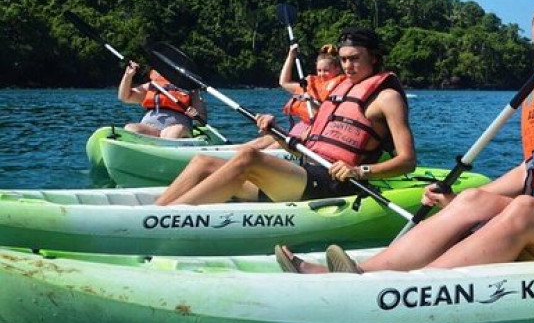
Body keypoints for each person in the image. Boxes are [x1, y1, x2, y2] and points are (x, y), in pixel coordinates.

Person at [276, 0, 534, 274]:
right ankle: (364, 272)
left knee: (526, 209)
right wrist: (462, 196)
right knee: (472, 199)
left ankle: (408, 287)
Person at [154, 27, 416, 205]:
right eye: (344, 60)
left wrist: (359, 171)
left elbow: (407, 161)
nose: (348, 66)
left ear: (375, 57)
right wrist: (275, 132)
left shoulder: (387, 98)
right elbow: (307, 148)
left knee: (248, 156)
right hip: (304, 174)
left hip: (337, 184)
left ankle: (165, 218)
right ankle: (156, 212)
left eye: (355, 59)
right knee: (202, 162)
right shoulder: (341, 89)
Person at [243, 44, 346, 151]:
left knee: (272, 148)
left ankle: (250, 159)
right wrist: (291, 56)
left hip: (312, 134)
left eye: (326, 70)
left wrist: (311, 101)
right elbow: (284, 82)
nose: (321, 74)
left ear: (338, 69)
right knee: (261, 142)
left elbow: (328, 114)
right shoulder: (311, 84)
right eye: (319, 70)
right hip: (299, 129)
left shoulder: (341, 88)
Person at [117, 62, 207, 139]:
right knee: (130, 128)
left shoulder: (191, 90)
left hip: (178, 130)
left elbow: (201, 120)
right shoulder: (152, 85)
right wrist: (128, 76)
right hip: (150, 129)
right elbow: (124, 97)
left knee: (175, 132)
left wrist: (195, 115)